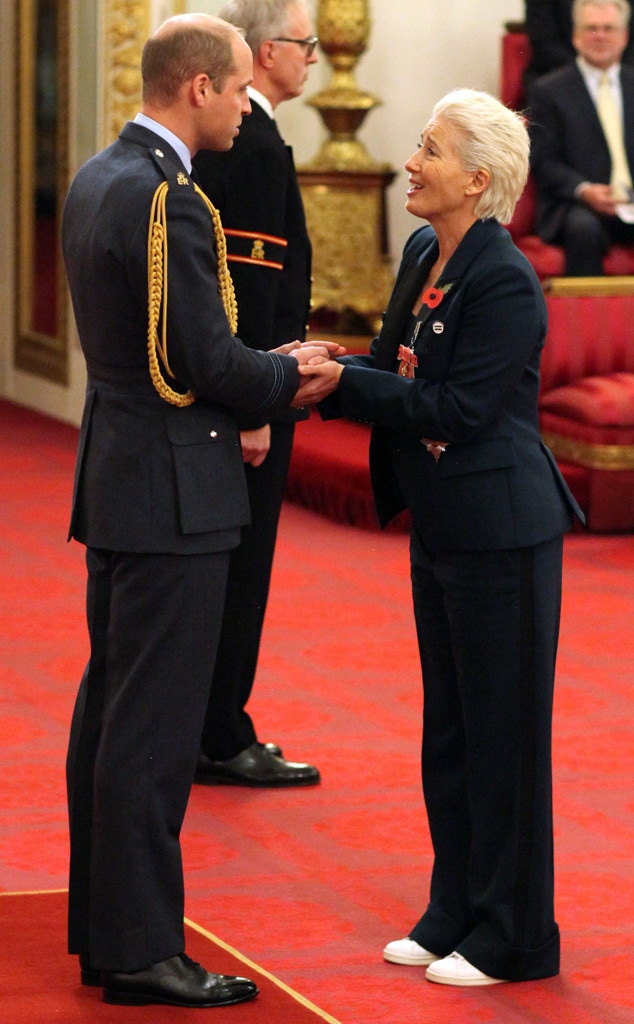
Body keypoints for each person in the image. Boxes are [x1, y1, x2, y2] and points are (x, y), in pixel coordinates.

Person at [62, 13, 340, 1009]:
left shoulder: (100, 174)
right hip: (178, 487)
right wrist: (290, 375)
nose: (238, 106)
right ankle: (142, 950)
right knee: (153, 734)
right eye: (231, 91)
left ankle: (106, 928)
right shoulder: (170, 200)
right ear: (197, 89)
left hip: (120, 479)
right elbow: (204, 359)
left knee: (111, 713)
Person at [292, 88, 584, 986]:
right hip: (445, 524)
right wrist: (327, 367)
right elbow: (393, 366)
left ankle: (516, 937)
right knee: (452, 730)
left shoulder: (506, 280)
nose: (410, 163)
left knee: (506, 736)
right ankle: (455, 908)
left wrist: (342, 388)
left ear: (478, 179)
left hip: (504, 531)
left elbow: (457, 408)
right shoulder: (425, 249)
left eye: (429, 150)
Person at [191, 0, 319, 788]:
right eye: (306, 46)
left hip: (243, 384)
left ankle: (214, 722)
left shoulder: (246, 136)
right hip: (256, 392)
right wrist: (261, 406)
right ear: (268, 52)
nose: (314, 59)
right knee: (244, 568)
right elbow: (251, 288)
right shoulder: (257, 142)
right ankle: (222, 733)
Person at [528, 0, 634, 275]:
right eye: (591, 29)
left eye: (609, 28)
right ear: (576, 37)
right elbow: (544, 162)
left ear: (624, 37)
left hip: (630, 203)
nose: (600, 36)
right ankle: (589, 318)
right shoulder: (548, 90)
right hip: (575, 205)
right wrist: (584, 189)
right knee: (583, 229)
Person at [524, 0, 634, 86]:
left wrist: (621, 74)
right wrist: (586, 73)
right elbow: (544, 41)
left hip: (623, 68)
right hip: (557, 72)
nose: (600, 36)